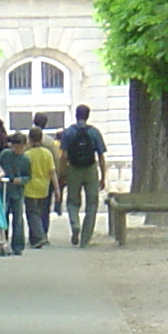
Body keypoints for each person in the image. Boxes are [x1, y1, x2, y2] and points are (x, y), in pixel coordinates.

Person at [54, 105, 108, 247]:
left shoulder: (68, 132)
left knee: (72, 201)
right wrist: (103, 176)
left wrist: (62, 174)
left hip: (74, 169)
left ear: (76, 115)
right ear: (88, 115)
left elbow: (64, 156)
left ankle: (75, 224)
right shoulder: (94, 132)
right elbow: (101, 155)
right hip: (90, 169)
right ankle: (85, 239)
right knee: (92, 203)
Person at [21, 129, 57, 249]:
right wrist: (57, 189)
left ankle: (38, 236)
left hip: (30, 187)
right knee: (43, 212)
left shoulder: (27, 155)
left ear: (29, 140)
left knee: (32, 214)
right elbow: (52, 172)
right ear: (41, 139)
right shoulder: (47, 153)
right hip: (44, 187)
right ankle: (39, 237)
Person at [0, 131, 31, 255]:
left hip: (17, 192)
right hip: (4, 190)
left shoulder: (26, 159)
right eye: (16, 147)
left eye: (20, 147)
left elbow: (29, 176)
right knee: (2, 217)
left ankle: (18, 245)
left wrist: (21, 180)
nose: (18, 150)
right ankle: (2, 242)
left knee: (18, 219)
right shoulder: (5, 155)